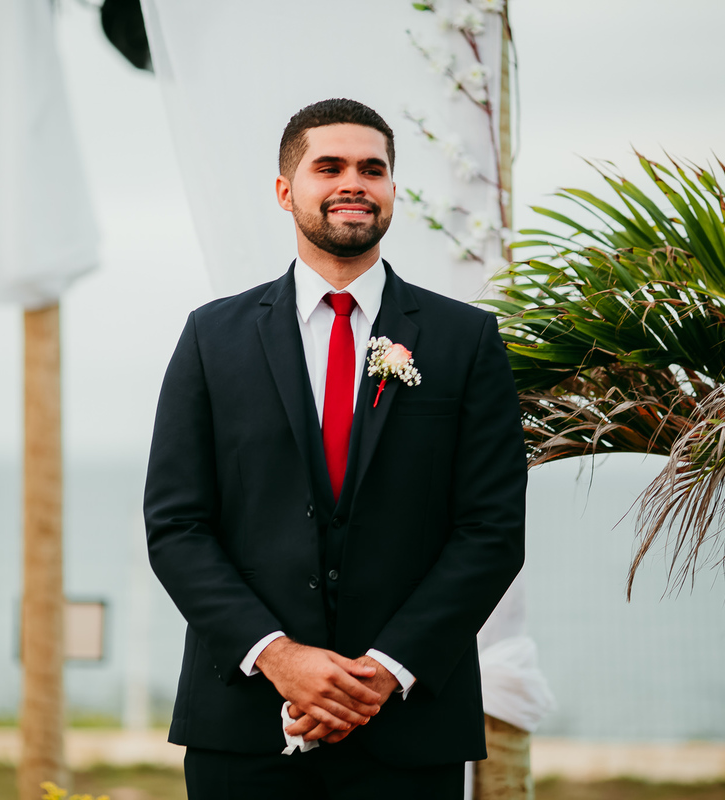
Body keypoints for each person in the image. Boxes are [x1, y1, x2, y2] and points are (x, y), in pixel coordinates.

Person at [144, 99, 526, 798]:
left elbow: (491, 532)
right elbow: (176, 526)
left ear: (392, 189)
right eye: (330, 166)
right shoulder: (211, 338)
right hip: (245, 725)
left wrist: (383, 671)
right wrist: (279, 657)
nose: (354, 182)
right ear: (286, 190)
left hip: (410, 728)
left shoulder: (465, 341)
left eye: (372, 169)